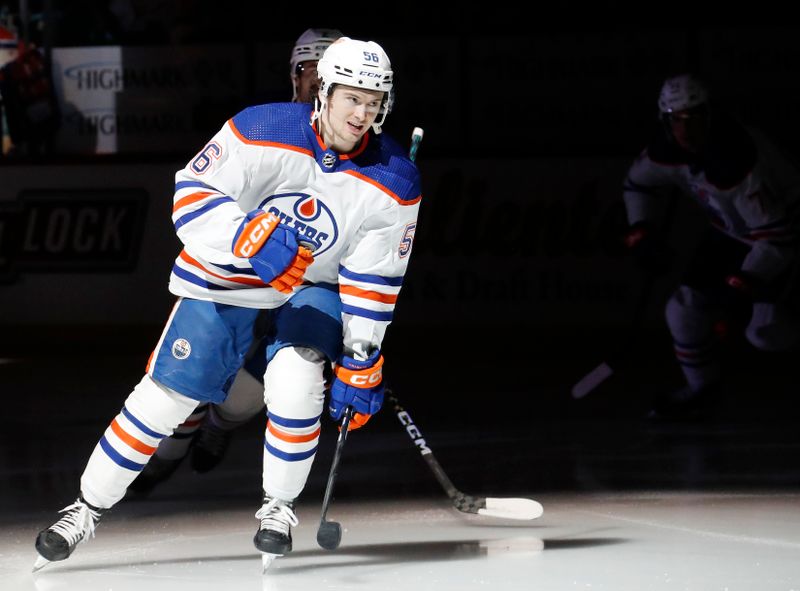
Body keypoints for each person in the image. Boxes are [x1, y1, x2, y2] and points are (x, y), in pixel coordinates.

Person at [34, 36, 421, 569]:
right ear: (325, 92)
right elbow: (190, 193)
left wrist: (362, 356)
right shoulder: (261, 128)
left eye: (373, 102)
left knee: (298, 378)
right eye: (352, 97)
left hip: (313, 287)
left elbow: (374, 277)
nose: (362, 113)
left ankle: (278, 507)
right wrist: (247, 237)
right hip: (228, 276)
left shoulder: (396, 178)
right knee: (163, 398)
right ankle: (84, 508)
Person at [128, 27, 344, 494]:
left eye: (330, 74)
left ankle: (221, 424)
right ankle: (172, 444)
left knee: (251, 393)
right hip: (244, 272)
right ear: (296, 75)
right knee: (187, 382)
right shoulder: (267, 126)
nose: (318, 82)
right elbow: (207, 195)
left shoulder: (360, 148)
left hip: (305, 284)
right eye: (312, 70)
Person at [622, 73, 800, 420]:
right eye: (677, 119)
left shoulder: (738, 160)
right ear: (665, 120)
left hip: (782, 235)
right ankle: (702, 389)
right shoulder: (664, 149)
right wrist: (640, 232)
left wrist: (744, 281)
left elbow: (777, 240)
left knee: (766, 332)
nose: (686, 130)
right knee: (682, 310)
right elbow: (638, 185)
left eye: (695, 118)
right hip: (732, 232)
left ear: (710, 116)